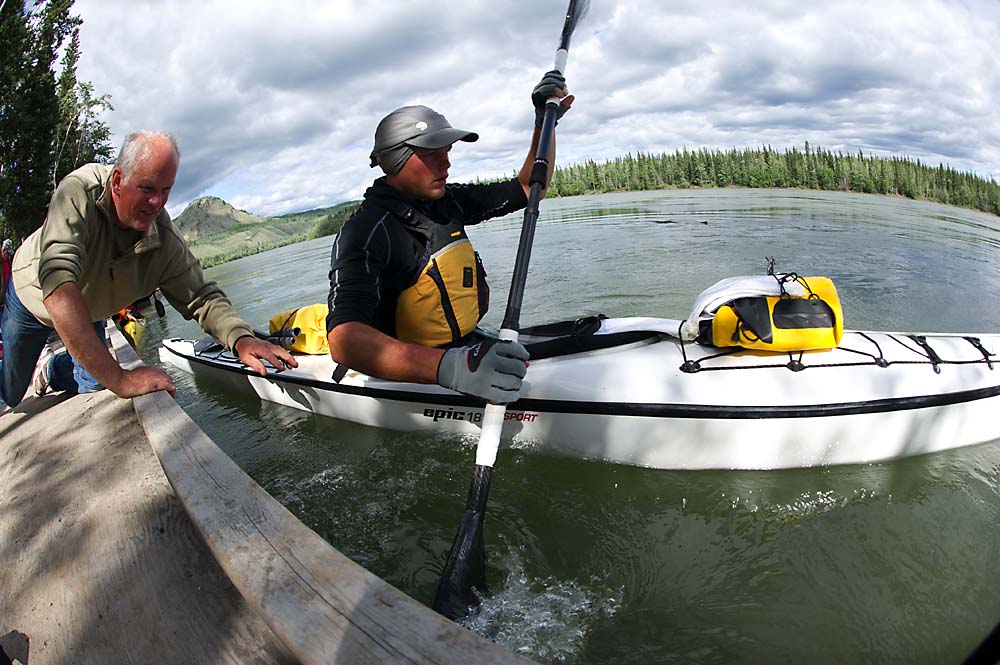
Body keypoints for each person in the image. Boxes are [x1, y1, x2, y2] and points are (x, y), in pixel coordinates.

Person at [0, 130, 296, 408]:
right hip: (32, 298)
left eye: (166, 190)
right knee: (12, 393)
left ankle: (51, 369)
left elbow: (200, 296)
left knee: (93, 380)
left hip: (88, 309)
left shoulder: (163, 239)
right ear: (118, 181)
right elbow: (59, 289)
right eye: (147, 189)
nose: (157, 202)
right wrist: (122, 379)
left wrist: (240, 338)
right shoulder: (78, 193)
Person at [325, 71, 573, 404]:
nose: (446, 164)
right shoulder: (366, 232)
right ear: (396, 160)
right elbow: (344, 341)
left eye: (447, 151)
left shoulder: (448, 202)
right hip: (403, 370)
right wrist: (453, 368)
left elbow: (529, 188)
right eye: (432, 155)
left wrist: (544, 123)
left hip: (460, 347)